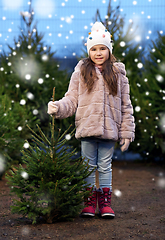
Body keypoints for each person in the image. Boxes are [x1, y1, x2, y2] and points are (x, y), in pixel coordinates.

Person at [48, 22, 135, 218]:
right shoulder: (81, 72)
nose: (98, 53)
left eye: (102, 48)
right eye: (94, 49)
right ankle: (88, 202)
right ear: (89, 50)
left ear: (109, 50)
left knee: (105, 166)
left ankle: (105, 204)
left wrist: (127, 132)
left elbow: (125, 106)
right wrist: (58, 107)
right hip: (87, 129)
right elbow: (71, 99)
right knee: (87, 166)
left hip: (109, 130)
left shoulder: (118, 75)